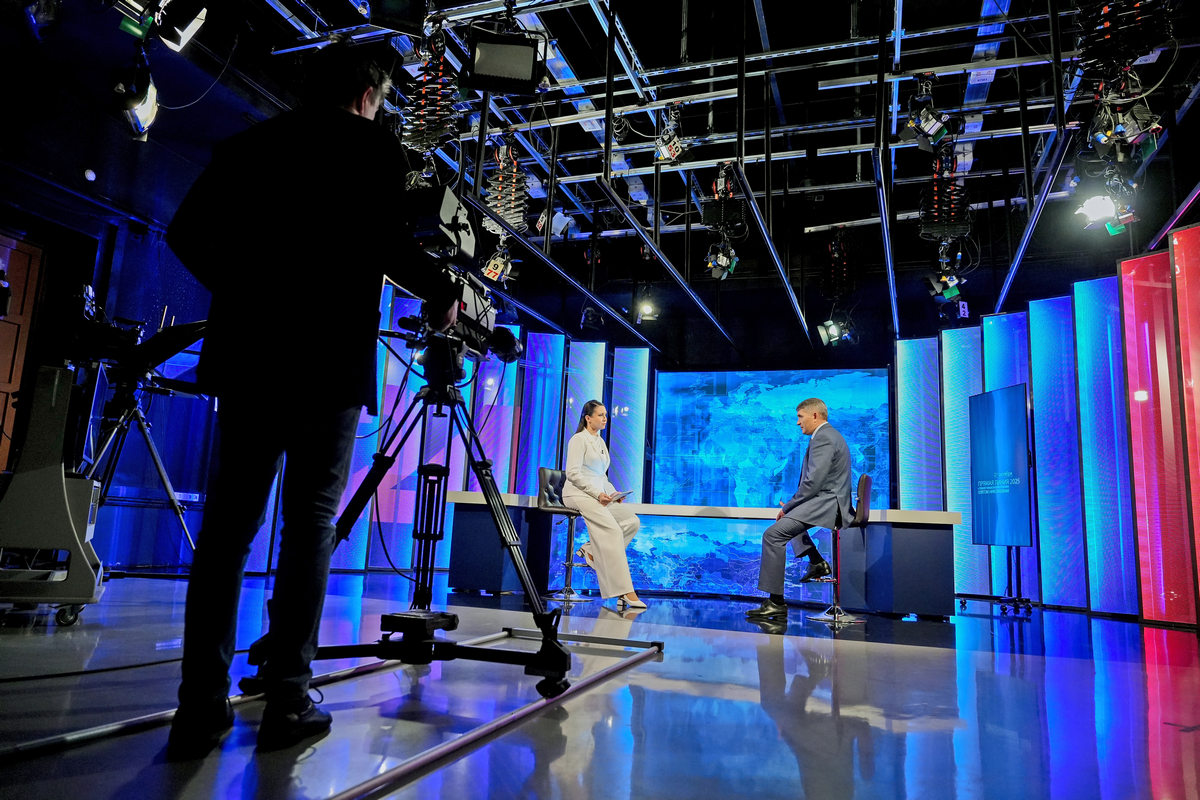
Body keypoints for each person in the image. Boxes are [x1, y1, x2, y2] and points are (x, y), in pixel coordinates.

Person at [164, 40, 459, 758]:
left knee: (226, 533)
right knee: (309, 530)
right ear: (367, 94)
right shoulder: (372, 148)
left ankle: (198, 708)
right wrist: (442, 289)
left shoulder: (248, 145)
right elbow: (387, 242)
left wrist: (244, 292)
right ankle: (287, 700)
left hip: (249, 358)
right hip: (327, 363)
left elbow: (185, 233)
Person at [746, 398, 852, 621]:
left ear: (815, 415)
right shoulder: (827, 435)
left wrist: (790, 506)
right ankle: (816, 561)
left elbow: (812, 483)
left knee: (773, 535)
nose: (797, 422)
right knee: (786, 524)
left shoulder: (824, 438)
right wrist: (793, 507)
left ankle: (776, 603)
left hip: (828, 504)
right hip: (825, 501)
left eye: (800, 417)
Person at [562, 400, 644, 609]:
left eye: (605, 414)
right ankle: (624, 591)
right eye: (600, 415)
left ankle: (591, 550)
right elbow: (573, 474)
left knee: (631, 522)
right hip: (577, 493)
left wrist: (612, 493)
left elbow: (600, 476)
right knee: (612, 531)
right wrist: (597, 494)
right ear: (588, 418)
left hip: (597, 494)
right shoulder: (578, 440)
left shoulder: (599, 442)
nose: (605, 418)